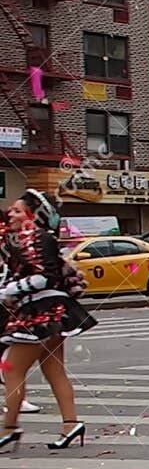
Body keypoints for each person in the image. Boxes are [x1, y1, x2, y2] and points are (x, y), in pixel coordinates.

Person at [1, 189, 95, 452]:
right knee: (53, 370)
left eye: (18, 210)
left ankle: (9, 428)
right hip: (51, 311)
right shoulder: (28, 238)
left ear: (34, 215)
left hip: (40, 312)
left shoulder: (37, 238)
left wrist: (8, 291)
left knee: (10, 367)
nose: (12, 213)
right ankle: (70, 424)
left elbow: (45, 277)